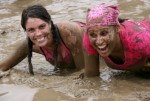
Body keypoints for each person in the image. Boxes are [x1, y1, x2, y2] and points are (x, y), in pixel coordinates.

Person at [0, 4, 85, 76]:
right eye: (31, 30)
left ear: (50, 23)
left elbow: (83, 71)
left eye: (42, 27)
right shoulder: (29, 44)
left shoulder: (69, 32)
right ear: (26, 31)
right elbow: (3, 66)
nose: (38, 34)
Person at [83, 3, 150, 77]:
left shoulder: (139, 40)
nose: (98, 41)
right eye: (93, 35)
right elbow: (91, 76)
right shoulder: (89, 38)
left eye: (104, 33)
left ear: (117, 28)